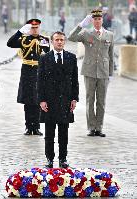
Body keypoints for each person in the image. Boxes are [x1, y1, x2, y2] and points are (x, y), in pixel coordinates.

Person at [68, 9, 114, 137]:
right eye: (95, 19)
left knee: (101, 101)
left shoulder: (109, 35)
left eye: (99, 19)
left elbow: (110, 55)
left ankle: (99, 127)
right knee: (90, 100)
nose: (97, 21)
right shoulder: (86, 33)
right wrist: (81, 24)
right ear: (92, 20)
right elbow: (70, 37)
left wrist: (111, 73)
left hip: (103, 72)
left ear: (102, 20)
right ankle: (91, 127)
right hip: (89, 71)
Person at [38, 31, 79, 168]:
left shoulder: (71, 58)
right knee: (49, 133)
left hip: (65, 101)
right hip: (49, 101)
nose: (59, 42)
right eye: (57, 40)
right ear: (52, 41)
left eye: (62, 39)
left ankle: (63, 158)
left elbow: (75, 80)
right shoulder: (44, 58)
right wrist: (41, 100)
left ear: (64, 41)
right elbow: (40, 81)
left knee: (64, 132)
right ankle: (49, 158)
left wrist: (74, 98)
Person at [7, 19, 50, 136]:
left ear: (39, 27)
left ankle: (36, 127)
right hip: (27, 70)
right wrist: (20, 32)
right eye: (32, 27)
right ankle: (28, 126)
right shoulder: (24, 39)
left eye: (36, 27)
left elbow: (47, 56)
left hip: (39, 70)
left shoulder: (45, 40)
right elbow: (9, 43)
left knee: (37, 99)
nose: (35, 29)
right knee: (28, 100)